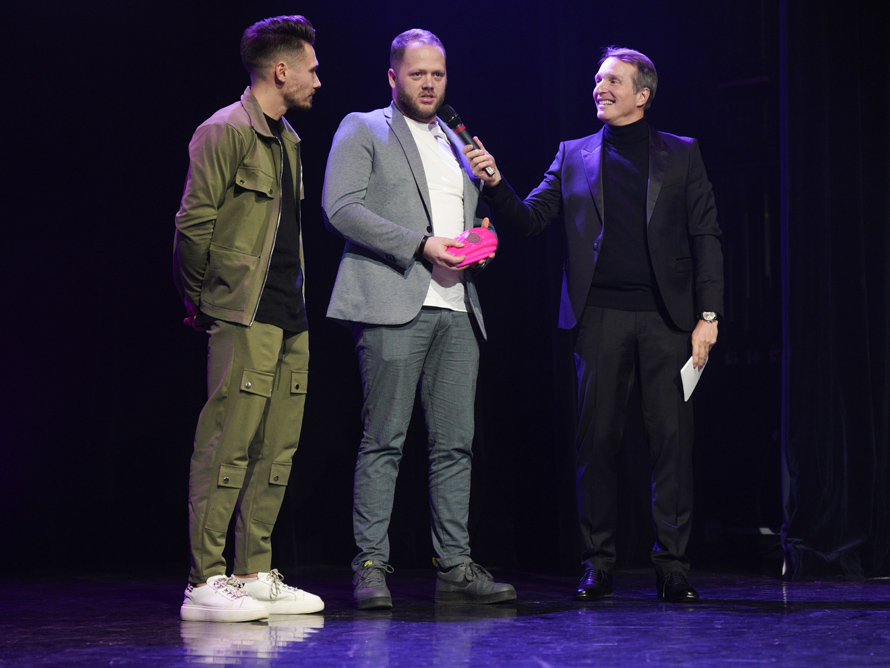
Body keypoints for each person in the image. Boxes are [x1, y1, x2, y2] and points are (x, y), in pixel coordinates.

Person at [464, 47, 723, 603]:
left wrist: (708, 316)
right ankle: (598, 563)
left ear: (642, 94)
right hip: (597, 317)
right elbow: (532, 219)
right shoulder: (573, 154)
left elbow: (706, 237)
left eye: (611, 81)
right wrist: (494, 182)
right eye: (597, 80)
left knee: (670, 445)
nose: (598, 88)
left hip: (668, 319)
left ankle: (672, 566)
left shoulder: (680, 154)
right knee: (596, 442)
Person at [322, 28, 516, 610]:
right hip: (392, 301)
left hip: (459, 308)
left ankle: (454, 566)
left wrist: (484, 240)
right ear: (393, 77)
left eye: (437, 74)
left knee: (455, 444)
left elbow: (465, 218)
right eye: (417, 73)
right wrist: (421, 244)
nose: (429, 83)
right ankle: (371, 566)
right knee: (384, 440)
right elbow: (341, 208)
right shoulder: (364, 127)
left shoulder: (460, 142)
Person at [173, 15, 325, 622]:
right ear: (281, 70)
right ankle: (204, 580)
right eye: (311, 68)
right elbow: (193, 225)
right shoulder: (223, 131)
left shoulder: (287, 138)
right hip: (243, 311)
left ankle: (253, 572)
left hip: (290, 314)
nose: (319, 79)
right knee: (227, 444)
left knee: (275, 448)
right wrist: (204, 300)